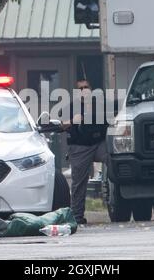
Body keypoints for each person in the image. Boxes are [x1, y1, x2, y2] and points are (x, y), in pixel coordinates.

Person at [62, 79, 110, 225]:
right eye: (80, 88)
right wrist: (73, 120)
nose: (84, 90)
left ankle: (118, 199)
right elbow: (61, 125)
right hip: (79, 147)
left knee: (116, 157)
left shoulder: (100, 105)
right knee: (79, 183)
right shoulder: (70, 107)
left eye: (86, 87)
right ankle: (77, 216)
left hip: (99, 144)